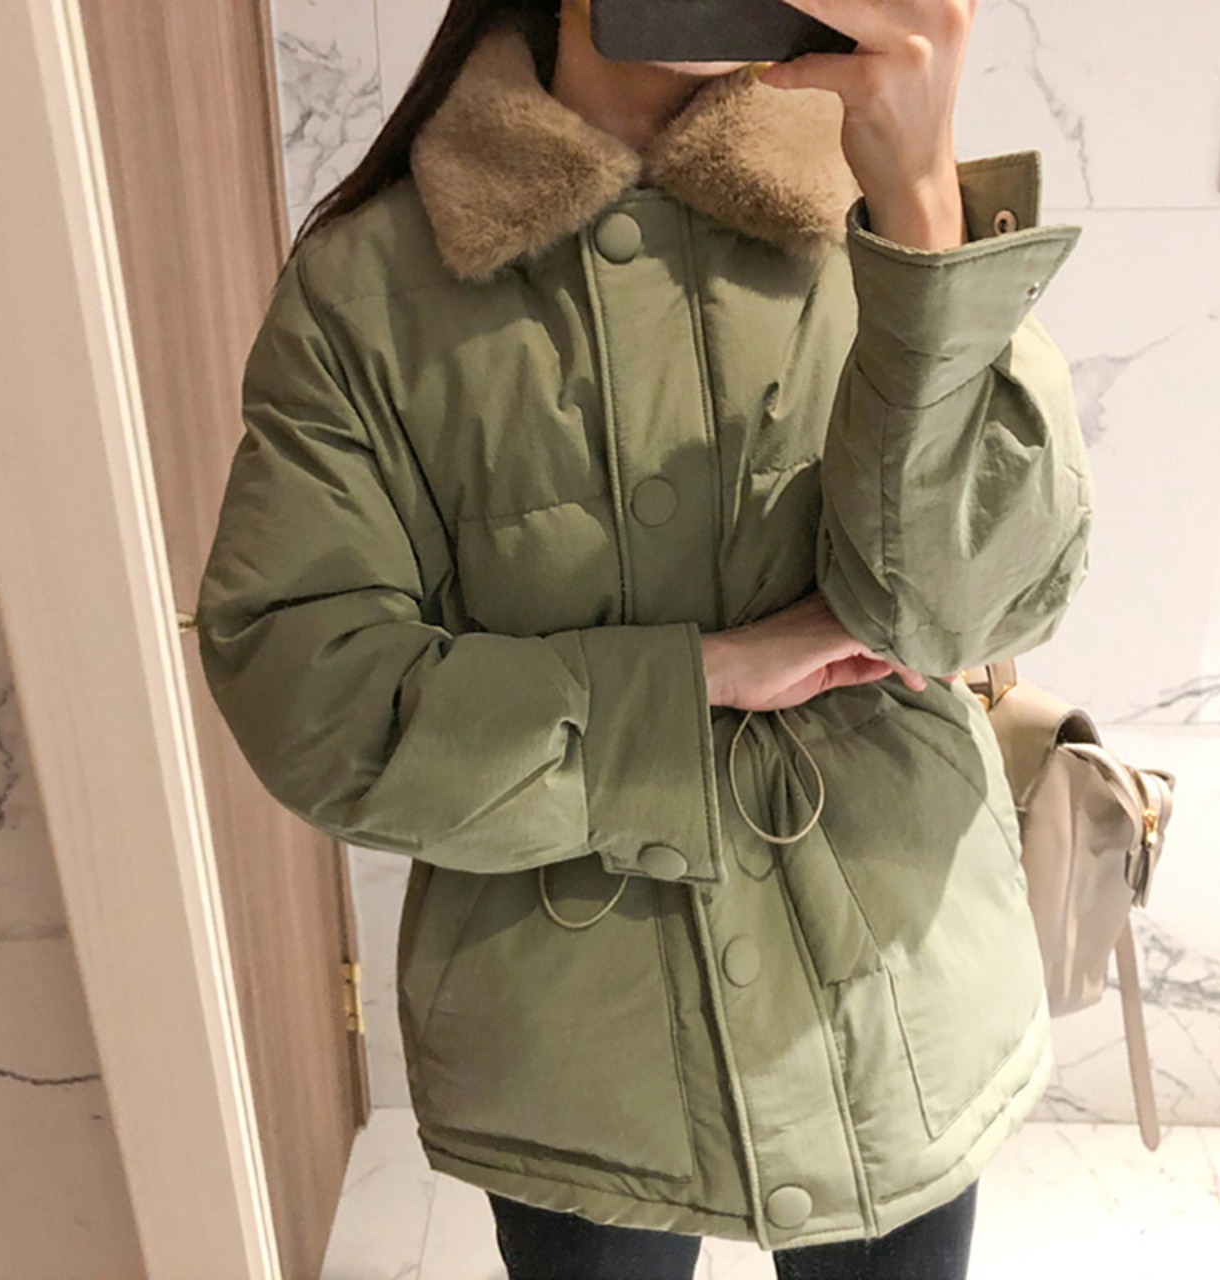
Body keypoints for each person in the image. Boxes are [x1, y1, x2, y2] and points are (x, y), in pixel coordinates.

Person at [195, 0, 1093, 1274]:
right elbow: (312, 697)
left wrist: (921, 211)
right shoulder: (368, 290)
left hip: (896, 988)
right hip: (573, 1056)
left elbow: (963, 611)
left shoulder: (881, 215)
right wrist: (696, 680)